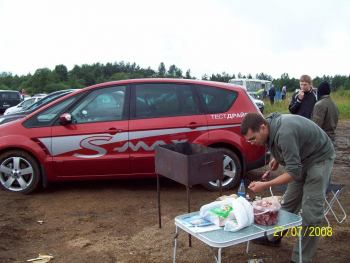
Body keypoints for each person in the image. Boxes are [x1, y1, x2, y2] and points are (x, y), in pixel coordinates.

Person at [241, 112, 335, 263]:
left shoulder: (285, 132)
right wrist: (277, 158)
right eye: (248, 140)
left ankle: (300, 259)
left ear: (262, 127)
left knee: (311, 213)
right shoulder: (269, 125)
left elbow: (293, 172)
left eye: (253, 138)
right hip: (302, 159)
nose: (251, 142)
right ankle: (273, 238)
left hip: (319, 159)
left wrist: (265, 184)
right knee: (288, 204)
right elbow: (281, 146)